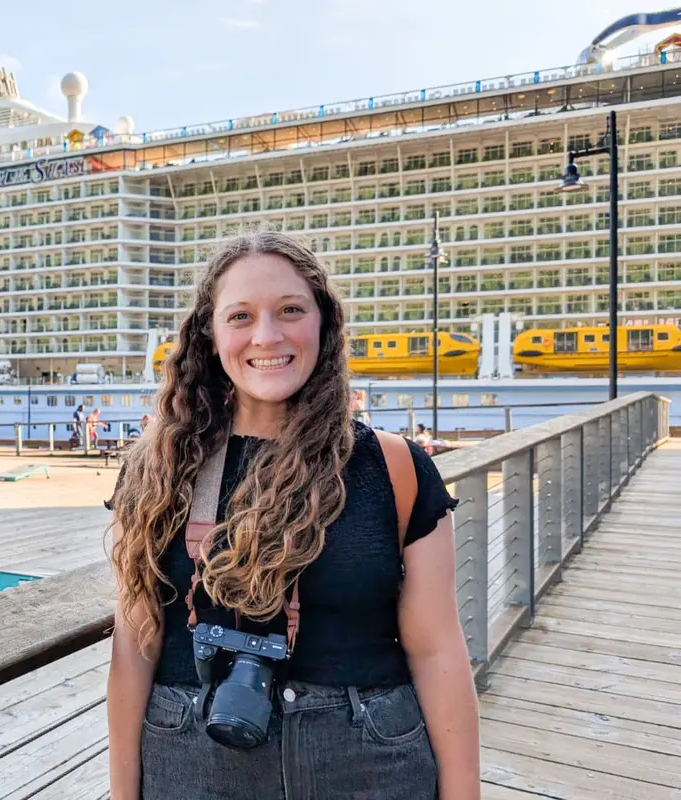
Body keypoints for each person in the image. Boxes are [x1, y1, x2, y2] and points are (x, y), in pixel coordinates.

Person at [106, 232, 480, 800]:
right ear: (209, 336)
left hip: (370, 766)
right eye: (240, 316)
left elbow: (437, 650)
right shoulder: (157, 471)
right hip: (194, 761)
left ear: (323, 325)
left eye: (290, 310)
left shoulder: (397, 468)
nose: (267, 336)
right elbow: (135, 647)